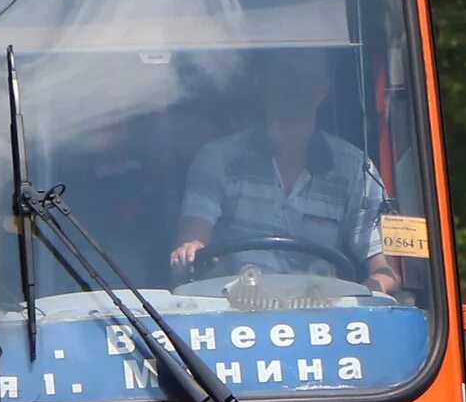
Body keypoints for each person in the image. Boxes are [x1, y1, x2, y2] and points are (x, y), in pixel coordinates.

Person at [169, 50, 401, 290]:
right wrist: (190, 250)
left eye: (311, 77)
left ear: (325, 88)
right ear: (262, 81)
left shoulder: (356, 168)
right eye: (288, 74)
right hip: (230, 313)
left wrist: (360, 302)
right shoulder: (218, 158)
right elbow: (193, 237)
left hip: (321, 318)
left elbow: (386, 271)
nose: (299, 86)